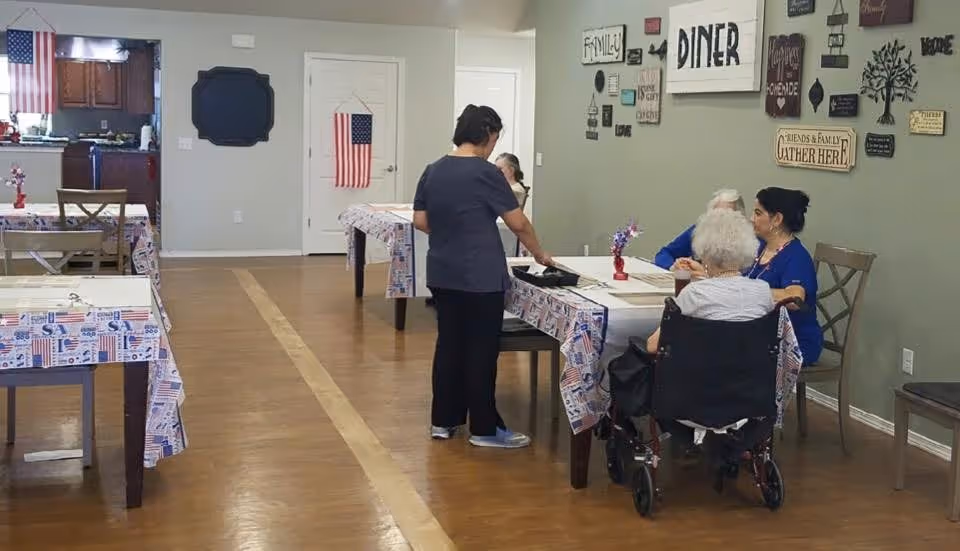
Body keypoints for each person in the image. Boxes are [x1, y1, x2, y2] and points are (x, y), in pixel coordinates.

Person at [413, 104, 553, 449]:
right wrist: (539, 254)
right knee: (480, 349)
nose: (493, 146)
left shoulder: (433, 170)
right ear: (486, 135)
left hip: (443, 271)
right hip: (480, 275)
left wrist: (451, 234)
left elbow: (420, 220)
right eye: (495, 138)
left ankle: (443, 422)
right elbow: (517, 222)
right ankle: (484, 428)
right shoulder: (486, 173)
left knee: (449, 345)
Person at [644, 208, 776, 488]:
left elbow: (654, 346)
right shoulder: (762, 292)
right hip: (747, 397)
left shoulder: (693, 295)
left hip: (694, 400)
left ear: (705, 252)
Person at [744, 187, 823, 365]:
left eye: (758, 213)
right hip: (761, 335)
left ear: (777, 219)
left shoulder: (796, 256)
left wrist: (748, 289)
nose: (751, 219)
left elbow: (794, 298)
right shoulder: (760, 248)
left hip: (793, 342)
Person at [653, 189, 745, 270]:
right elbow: (665, 253)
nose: (718, 219)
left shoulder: (748, 240)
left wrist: (704, 273)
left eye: (724, 215)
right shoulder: (699, 230)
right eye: (714, 214)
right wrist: (673, 267)